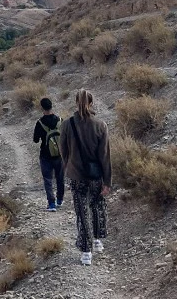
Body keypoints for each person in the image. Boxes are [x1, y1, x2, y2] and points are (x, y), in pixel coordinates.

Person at [59, 89, 111, 266]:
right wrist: (107, 181)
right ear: (92, 103)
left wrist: (68, 168)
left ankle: (86, 252)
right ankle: (97, 241)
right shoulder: (100, 125)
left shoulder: (66, 125)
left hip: (77, 176)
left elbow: (63, 152)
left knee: (82, 213)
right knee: (97, 207)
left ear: (75, 103)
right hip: (96, 176)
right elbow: (105, 156)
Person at [33, 97, 64, 212]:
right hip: (59, 155)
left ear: (42, 108)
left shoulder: (40, 122)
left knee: (48, 179)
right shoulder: (60, 120)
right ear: (52, 106)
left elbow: (35, 140)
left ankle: (51, 204)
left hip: (45, 155)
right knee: (60, 178)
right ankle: (60, 200)